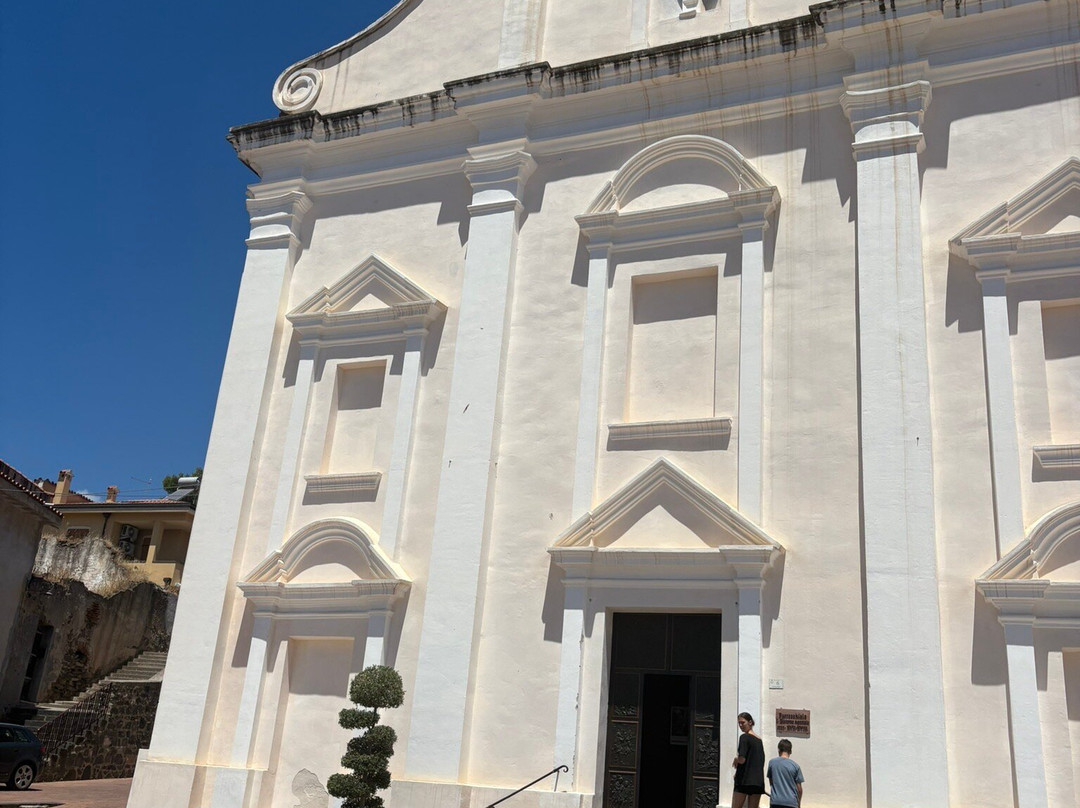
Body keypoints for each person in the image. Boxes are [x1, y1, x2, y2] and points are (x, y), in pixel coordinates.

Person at [731, 711, 766, 808]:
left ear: (750, 722)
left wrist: (736, 759)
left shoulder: (744, 737)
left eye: (743, 722)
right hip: (757, 781)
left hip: (744, 780)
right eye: (739, 723)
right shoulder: (759, 740)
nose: (740, 725)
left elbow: (742, 759)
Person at [767, 739, 805, 807]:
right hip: (791, 802)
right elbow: (799, 789)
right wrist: (798, 803)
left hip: (776, 801)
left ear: (779, 750)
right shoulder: (795, 766)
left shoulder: (772, 763)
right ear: (790, 751)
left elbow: (771, 782)